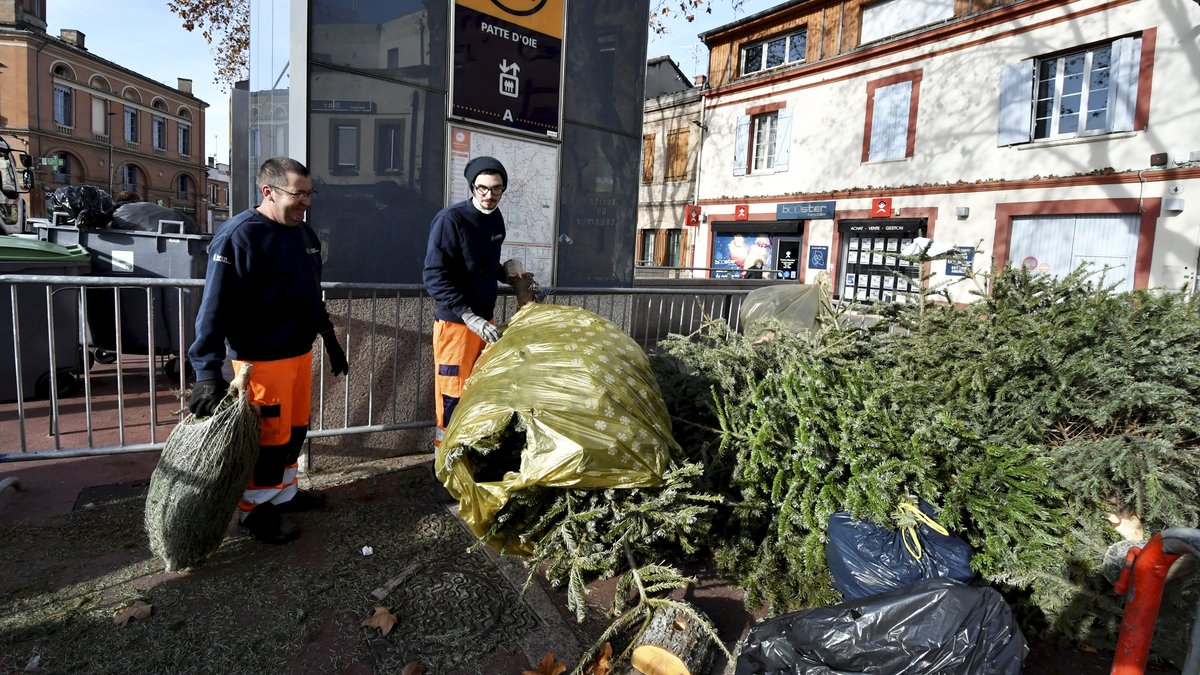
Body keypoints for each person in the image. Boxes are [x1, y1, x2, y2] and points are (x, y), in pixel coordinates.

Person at [186, 157, 348, 545]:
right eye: (298, 194)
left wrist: (329, 337)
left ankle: (284, 495)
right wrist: (206, 372)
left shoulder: (304, 237)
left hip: (298, 354)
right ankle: (256, 513)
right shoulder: (239, 235)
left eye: (310, 194)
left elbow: (311, 295)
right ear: (269, 191)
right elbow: (214, 306)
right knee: (268, 440)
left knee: (293, 433)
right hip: (261, 361)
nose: (306, 202)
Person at [423, 156, 528, 454]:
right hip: (456, 325)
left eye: (496, 189)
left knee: (480, 389)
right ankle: (444, 462)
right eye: (482, 188)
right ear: (472, 187)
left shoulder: (495, 219)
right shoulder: (450, 219)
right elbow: (434, 274)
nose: (489, 195)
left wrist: (509, 275)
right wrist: (467, 315)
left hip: (485, 322)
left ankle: (471, 454)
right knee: (452, 395)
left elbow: (482, 264)